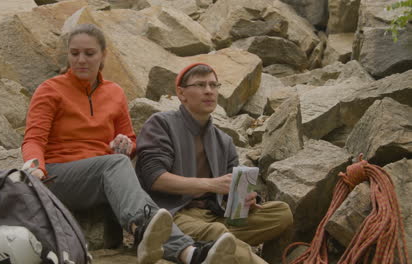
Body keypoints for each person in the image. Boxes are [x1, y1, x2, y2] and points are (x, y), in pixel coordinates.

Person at [22, 24, 236, 264]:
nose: (81, 59)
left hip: (101, 176)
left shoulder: (115, 93)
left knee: (119, 160)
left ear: (103, 55)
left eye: (89, 53)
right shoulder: (49, 90)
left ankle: (190, 254)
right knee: (115, 164)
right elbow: (33, 139)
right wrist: (35, 167)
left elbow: (132, 141)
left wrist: (126, 144)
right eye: (74, 53)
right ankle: (143, 229)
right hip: (56, 176)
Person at [135, 63, 294, 264]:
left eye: (213, 85)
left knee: (281, 212)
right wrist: (210, 184)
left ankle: (216, 247)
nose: (209, 91)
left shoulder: (224, 140)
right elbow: (154, 178)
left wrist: (246, 201)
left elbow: (228, 195)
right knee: (218, 232)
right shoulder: (161, 124)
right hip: (173, 215)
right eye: (201, 85)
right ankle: (229, 251)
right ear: (181, 93)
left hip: (214, 214)